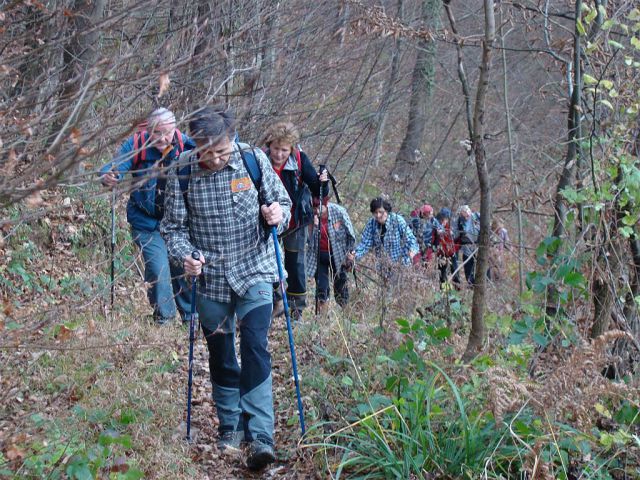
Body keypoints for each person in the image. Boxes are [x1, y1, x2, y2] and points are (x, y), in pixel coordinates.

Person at [160, 106, 291, 470]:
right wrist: (186, 256)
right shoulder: (182, 171)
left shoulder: (252, 158)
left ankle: (261, 435)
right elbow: (173, 229)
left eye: (223, 150)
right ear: (194, 145)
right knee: (221, 353)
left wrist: (277, 216)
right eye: (209, 152)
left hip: (256, 268)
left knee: (254, 346)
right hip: (211, 277)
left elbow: (284, 203)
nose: (217, 158)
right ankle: (230, 426)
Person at [99, 108, 196, 325]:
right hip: (146, 222)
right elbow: (114, 168)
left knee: (183, 267)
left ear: (175, 128)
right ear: (148, 130)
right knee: (158, 268)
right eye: (156, 133)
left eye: (166, 132)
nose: (161, 138)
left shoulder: (187, 145)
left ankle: (191, 317)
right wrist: (109, 177)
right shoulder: (136, 144)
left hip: (179, 223)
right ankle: (165, 317)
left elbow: (211, 156)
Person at [261, 122, 328, 319]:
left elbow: (317, 189)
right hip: (267, 220)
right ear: (269, 145)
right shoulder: (260, 159)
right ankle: (274, 302)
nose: (279, 154)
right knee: (268, 262)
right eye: (275, 149)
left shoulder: (299, 159)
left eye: (284, 150)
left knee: (295, 263)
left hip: (295, 221)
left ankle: (296, 307)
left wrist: (322, 181)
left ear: (291, 148)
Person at [306, 193, 356, 313]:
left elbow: (351, 235)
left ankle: (345, 316)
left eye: (319, 207)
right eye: (314, 207)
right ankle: (321, 319)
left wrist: (351, 254)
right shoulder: (310, 216)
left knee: (340, 285)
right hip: (319, 256)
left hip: (338, 255)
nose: (316, 210)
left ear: (326, 203)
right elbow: (308, 242)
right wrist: (313, 226)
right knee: (321, 288)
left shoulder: (339, 212)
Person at [349, 197, 419, 268]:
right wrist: (355, 254)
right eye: (375, 213)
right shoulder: (372, 224)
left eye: (380, 212)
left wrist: (412, 251)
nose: (378, 215)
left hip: (400, 265)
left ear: (386, 211)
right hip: (383, 266)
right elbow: (365, 243)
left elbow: (411, 239)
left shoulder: (397, 220)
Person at [433, 208, 460, 288]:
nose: (445, 220)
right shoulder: (436, 225)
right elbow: (433, 240)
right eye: (444, 219)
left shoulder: (451, 225)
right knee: (442, 270)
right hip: (441, 252)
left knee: (454, 269)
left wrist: (450, 233)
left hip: (451, 251)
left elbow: (457, 236)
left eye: (446, 219)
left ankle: (457, 286)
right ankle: (443, 288)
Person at [455, 205, 480, 285]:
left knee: (480, 263)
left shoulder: (477, 216)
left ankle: (481, 282)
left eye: (467, 211)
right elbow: (458, 233)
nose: (466, 214)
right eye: (464, 213)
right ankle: (470, 282)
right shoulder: (460, 221)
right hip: (467, 245)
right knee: (468, 264)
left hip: (479, 244)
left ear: (470, 211)